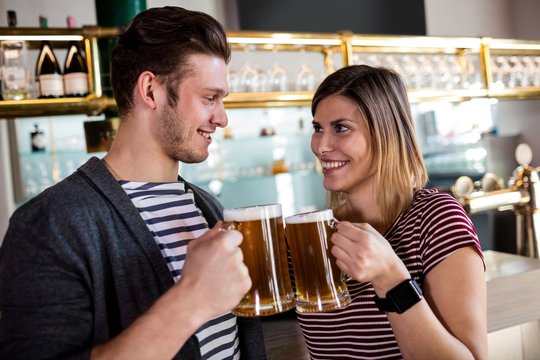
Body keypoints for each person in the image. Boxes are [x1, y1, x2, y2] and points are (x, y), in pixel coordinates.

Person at [0, 7, 266, 359]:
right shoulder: (48, 224)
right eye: (209, 97)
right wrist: (190, 302)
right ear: (151, 91)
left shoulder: (208, 209)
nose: (222, 117)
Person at [300, 65, 487, 359]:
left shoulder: (436, 218)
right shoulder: (318, 231)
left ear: (386, 132)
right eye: (317, 129)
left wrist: (390, 277)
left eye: (341, 128)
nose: (321, 146)